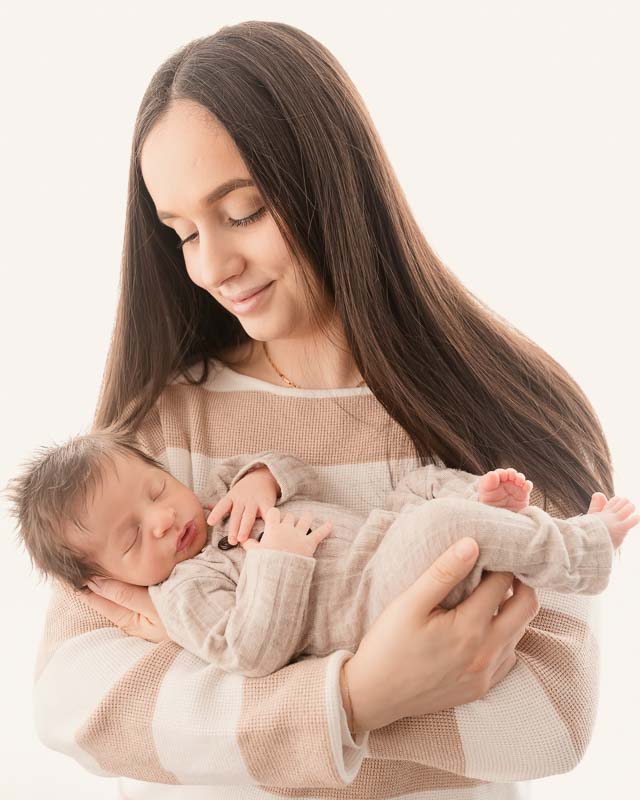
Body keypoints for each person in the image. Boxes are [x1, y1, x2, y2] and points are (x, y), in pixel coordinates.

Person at [32, 20, 616, 800]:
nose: (212, 265)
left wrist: (216, 711)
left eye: (243, 212)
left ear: (332, 184)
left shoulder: (507, 407)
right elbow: (81, 707)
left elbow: (547, 720)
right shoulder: (156, 435)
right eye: (183, 233)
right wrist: (358, 697)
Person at [11, 431, 635, 680]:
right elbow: (250, 651)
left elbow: (297, 472)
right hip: (370, 605)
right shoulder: (182, 594)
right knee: (440, 524)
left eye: (155, 491)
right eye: (131, 539)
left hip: (380, 537)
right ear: (108, 577)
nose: (162, 520)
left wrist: (261, 480)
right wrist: (279, 560)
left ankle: (483, 506)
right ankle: (581, 551)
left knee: (424, 486)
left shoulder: (216, 498)